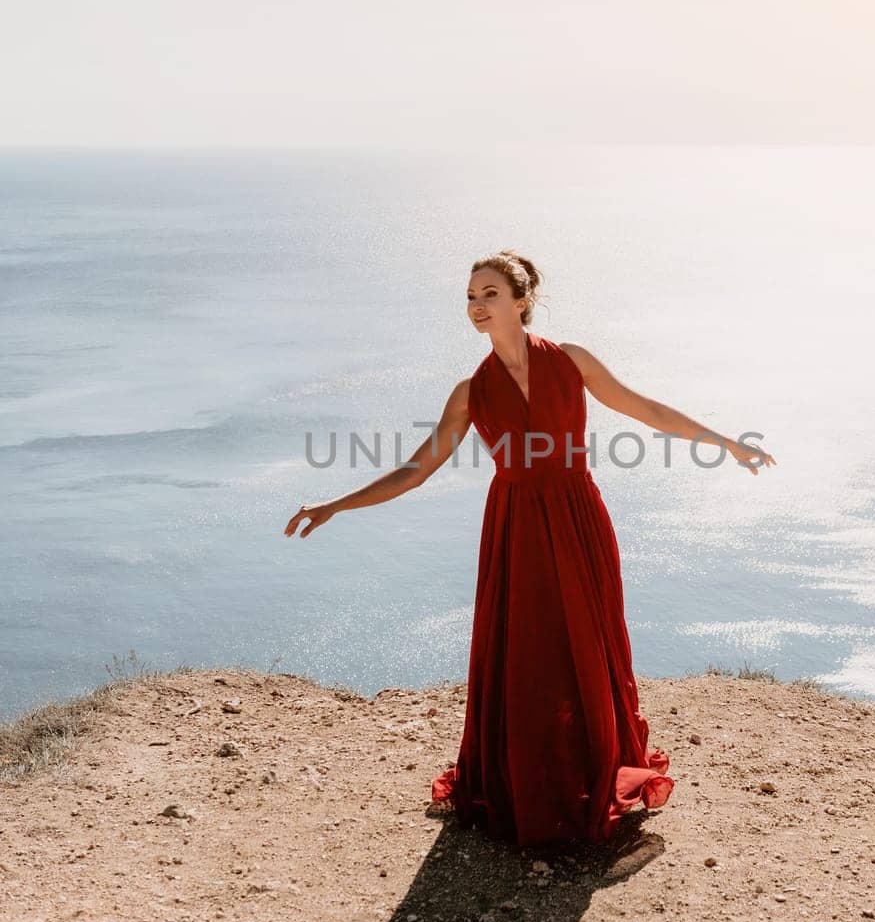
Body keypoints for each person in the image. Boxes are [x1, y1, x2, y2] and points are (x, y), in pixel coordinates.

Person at [285, 249, 776, 850]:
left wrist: (723, 441)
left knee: (586, 645)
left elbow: (643, 407)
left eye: (489, 294)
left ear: (521, 301)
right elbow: (416, 470)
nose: (477, 305)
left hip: (575, 514)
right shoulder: (471, 391)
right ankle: (523, 783)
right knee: (524, 652)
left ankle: (592, 773)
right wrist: (336, 503)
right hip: (515, 524)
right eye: (471, 296)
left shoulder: (570, 361)